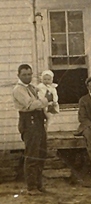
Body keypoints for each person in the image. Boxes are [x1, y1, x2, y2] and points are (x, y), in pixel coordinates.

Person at [12, 64, 50, 195]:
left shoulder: (33, 88)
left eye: (29, 74)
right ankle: (31, 187)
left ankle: (39, 184)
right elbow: (30, 105)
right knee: (32, 154)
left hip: (38, 120)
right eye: (24, 75)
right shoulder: (19, 89)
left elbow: (39, 104)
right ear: (18, 75)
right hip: (29, 121)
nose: (27, 77)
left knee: (41, 153)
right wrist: (46, 100)